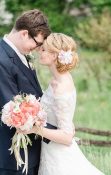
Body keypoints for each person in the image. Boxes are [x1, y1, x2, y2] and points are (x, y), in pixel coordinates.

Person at [23, 33, 105, 175]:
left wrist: (35, 129)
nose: (39, 51)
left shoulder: (61, 86)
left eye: (43, 50)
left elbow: (67, 137)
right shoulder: (57, 80)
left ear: (54, 55)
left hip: (59, 158)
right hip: (50, 151)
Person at [0, 9, 51, 175]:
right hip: (13, 155)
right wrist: (56, 132)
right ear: (24, 34)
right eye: (37, 44)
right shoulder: (2, 59)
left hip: (30, 151)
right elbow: (11, 107)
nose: (37, 49)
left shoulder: (19, 54)